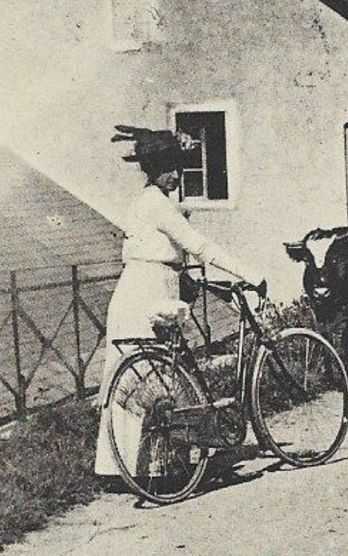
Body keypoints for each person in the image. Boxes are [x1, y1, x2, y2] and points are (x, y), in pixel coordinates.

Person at [96, 126, 263, 477]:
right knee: (150, 379)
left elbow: (159, 251)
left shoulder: (147, 203)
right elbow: (197, 245)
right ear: (155, 170)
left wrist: (184, 278)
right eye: (170, 168)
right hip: (147, 293)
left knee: (155, 378)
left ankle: (139, 468)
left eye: (178, 167)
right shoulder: (157, 204)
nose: (176, 175)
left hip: (149, 288)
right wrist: (247, 273)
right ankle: (141, 469)